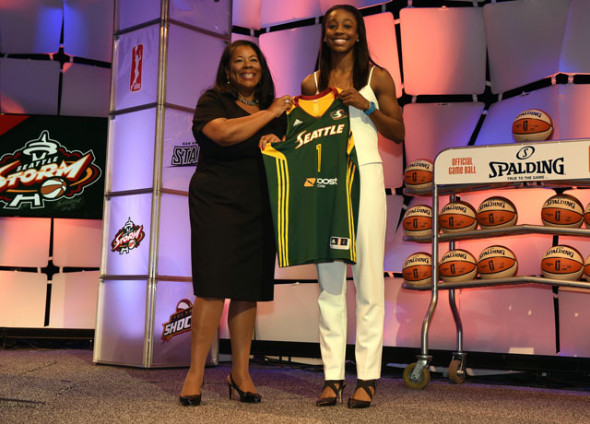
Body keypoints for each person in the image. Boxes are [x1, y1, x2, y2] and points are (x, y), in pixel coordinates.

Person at [301, 4, 405, 408]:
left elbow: (397, 132)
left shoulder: (377, 77)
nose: (339, 31)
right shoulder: (311, 84)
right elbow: (301, 139)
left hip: (366, 177)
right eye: (332, 26)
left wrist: (367, 107)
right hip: (324, 186)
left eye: (347, 25)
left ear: (358, 34)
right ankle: (331, 376)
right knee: (328, 284)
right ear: (325, 34)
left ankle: (367, 377)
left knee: (367, 282)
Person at [179, 40, 292, 406]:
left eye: (254, 59)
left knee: (247, 288)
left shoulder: (277, 112)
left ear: (262, 68)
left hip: (260, 203)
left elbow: (289, 152)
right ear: (228, 71)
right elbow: (224, 134)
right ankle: (195, 372)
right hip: (217, 201)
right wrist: (270, 114)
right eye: (239, 61)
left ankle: (240, 373)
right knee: (212, 286)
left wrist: (280, 138)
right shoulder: (212, 100)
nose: (248, 65)